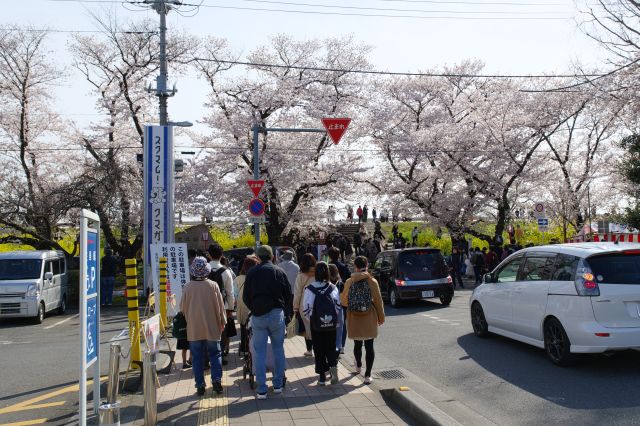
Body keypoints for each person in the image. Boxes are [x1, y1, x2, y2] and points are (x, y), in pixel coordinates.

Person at [243, 245, 293, 399]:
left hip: (258, 315)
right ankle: (277, 385)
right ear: (272, 257)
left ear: (257, 258)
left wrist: (254, 307)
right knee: (278, 349)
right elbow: (288, 294)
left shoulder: (252, 273)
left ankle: (262, 389)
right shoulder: (279, 271)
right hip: (277, 314)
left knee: (259, 352)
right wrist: (285, 312)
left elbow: (246, 296)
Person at [181, 257, 227, 396]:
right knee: (215, 354)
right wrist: (223, 322)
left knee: (197, 357)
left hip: (194, 328)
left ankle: (200, 385)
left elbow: (182, 309)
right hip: (212, 326)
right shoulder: (213, 285)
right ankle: (216, 381)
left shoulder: (188, 287)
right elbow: (221, 307)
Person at [341, 256, 385, 385]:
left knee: (357, 344)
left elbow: (343, 301)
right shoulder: (372, 281)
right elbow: (378, 301)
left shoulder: (349, 281)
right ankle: (368, 375)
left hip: (354, 316)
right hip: (369, 316)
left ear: (355, 266)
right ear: (366, 266)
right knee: (369, 346)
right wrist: (381, 317)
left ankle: (358, 366)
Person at [303, 262, 341, 386]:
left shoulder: (310, 289)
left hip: (316, 325)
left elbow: (306, 308)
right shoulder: (333, 288)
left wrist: (313, 319)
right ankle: (333, 369)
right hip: (331, 325)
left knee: (318, 350)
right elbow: (337, 306)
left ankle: (322, 377)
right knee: (330, 348)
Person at [208, 245, 235, 364]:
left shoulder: (204, 269)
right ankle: (221, 355)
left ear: (209, 255)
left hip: (206, 307)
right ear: (222, 254)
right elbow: (230, 292)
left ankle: (208, 356)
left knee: (207, 331)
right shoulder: (226, 271)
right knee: (222, 332)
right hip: (222, 306)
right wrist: (230, 308)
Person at [235, 255, 260, 358]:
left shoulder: (238, 278)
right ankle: (253, 349)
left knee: (243, 328)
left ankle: (245, 349)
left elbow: (235, 294)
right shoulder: (257, 277)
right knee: (255, 329)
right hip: (255, 304)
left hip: (242, 304)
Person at [293, 253, 317, 356]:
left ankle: (309, 350)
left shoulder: (301, 275)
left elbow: (297, 292)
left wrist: (295, 307)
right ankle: (318, 348)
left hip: (305, 303)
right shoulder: (318, 272)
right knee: (317, 326)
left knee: (308, 327)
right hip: (318, 302)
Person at [329, 263, 347, 355]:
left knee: (331, 330)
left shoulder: (326, 284)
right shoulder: (341, 284)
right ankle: (341, 346)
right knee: (342, 329)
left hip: (329, 310)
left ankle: (332, 347)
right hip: (341, 309)